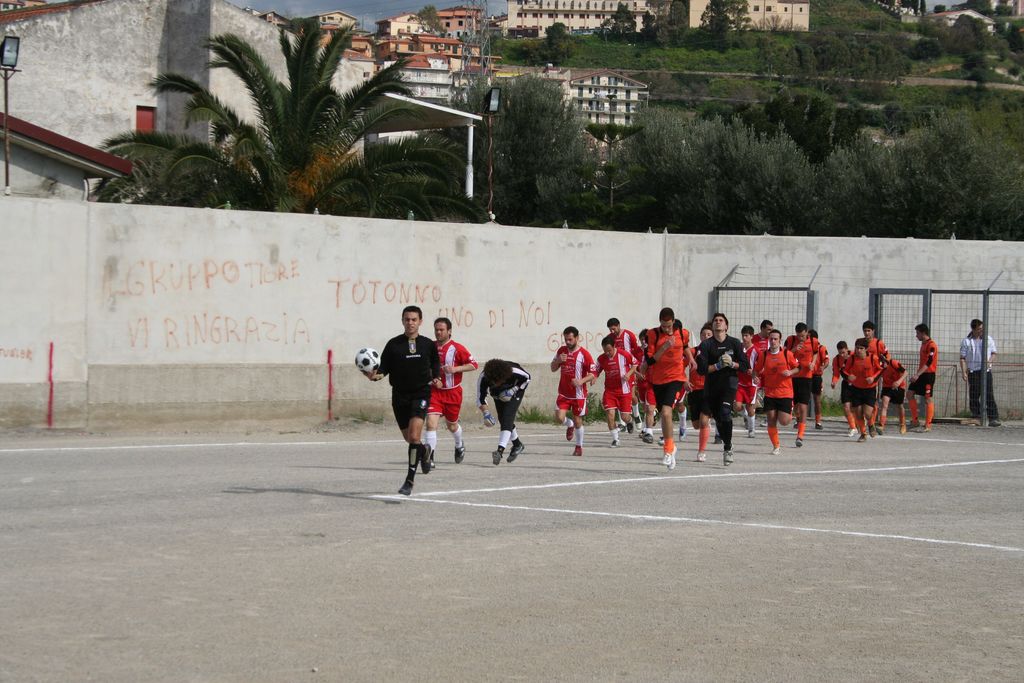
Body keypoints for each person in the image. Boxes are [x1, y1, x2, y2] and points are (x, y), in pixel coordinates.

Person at [364, 305, 440, 496]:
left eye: (414, 319)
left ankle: (409, 481)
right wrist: (374, 376)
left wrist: (437, 377)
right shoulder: (393, 344)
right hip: (399, 396)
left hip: (421, 394)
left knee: (414, 436)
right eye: (407, 319)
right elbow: (383, 369)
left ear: (420, 321)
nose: (410, 323)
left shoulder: (427, 344)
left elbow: (435, 363)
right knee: (410, 439)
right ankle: (424, 451)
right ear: (402, 321)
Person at [642, 308, 694, 470]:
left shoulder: (683, 333)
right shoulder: (652, 334)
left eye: (669, 326)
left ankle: (668, 449)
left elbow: (685, 346)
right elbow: (650, 360)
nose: (666, 329)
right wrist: (664, 347)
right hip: (658, 380)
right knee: (664, 417)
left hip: (676, 377)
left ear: (673, 322)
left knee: (666, 412)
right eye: (663, 326)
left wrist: (691, 359)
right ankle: (671, 448)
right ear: (660, 323)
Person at [695, 312, 749, 466]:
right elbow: (701, 370)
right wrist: (718, 366)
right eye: (715, 320)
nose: (718, 322)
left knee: (725, 413)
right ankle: (727, 442)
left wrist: (732, 364)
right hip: (712, 387)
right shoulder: (706, 345)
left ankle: (727, 448)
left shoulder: (735, 343)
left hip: (729, 384)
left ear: (726, 326)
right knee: (719, 419)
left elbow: (745, 366)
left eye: (721, 320)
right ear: (712, 326)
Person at [424, 317, 478, 467]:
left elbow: (474, 365)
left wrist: (455, 369)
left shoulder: (457, 348)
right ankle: (429, 459)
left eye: (441, 330)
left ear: (449, 331)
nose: (438, 332)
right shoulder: (429, 347)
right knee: (431, 423)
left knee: (452, 426)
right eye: (436, 330)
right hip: (434, 392)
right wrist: (433, 379)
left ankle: (459, 445)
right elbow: (424, 367)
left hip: (453, 393)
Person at [551, 326, 597, 457]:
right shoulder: (561, 351)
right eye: (566, 339)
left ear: (577, 338)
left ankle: (578, 447)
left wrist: (581, 381)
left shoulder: (584, 354)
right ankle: (569, 424)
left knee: (578, 421)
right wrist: (558, 361)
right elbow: (552, 368)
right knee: (559, 418)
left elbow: (593, 373)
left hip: (578, 394)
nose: (568, 342)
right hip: (564, 392)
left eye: (570, 339)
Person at [752, 329, 799, 456]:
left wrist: (790, 372)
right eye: (771, 339)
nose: (773, 341)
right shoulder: (764, 355)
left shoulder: (787, 354)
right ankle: (776, 446)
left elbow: (798, 368)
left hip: (785, 392)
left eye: (775, 339)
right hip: (770, 393)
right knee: (771, 419)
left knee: (784, 421)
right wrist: (755, 377)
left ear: (780, 340)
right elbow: (756, 370)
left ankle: (789, 410)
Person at [477, 359, 531, 465]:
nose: (497, 384)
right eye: (494, 383)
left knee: (507, 418)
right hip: (497, 394)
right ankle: (517, 445)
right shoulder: (484, 377)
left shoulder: (515, 371)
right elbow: (480, 398)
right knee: (503, 420)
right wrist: (486, 413)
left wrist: (514, 389)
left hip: (515, 391)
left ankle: (499, 451)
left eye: (499, 382)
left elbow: (527, 378)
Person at [595, 334, 637, 447]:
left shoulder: (624, 354)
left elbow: (635, 364)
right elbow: (596, 370)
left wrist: (628, 374)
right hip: (610, 391)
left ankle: (630, 421)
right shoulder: (601, 358)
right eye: (605, 351)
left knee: (624, 417)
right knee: (610, 414)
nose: (607, 353)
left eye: (609, 350)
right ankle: (615, 439)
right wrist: (593, 377)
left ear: (614, 347)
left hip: (624, 391)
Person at [784, 323, 820, 448]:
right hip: (792, 376)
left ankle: (800, 436)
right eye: (799, 336)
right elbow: (784, 354)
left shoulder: (814, 341)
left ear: (807, 333)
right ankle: (797, 418)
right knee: (796, 407)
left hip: (806, 377)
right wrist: (794, 349)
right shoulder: (790, 340)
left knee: (803, 406)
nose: (801, 338)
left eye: (803, 336)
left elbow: (815, 353)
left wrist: (813, 363)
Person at [959, 319, 1001, 426]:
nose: (981, 330)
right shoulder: (966, 341)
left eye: (982, 328)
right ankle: (976, 416)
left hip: (986, 371)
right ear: (973, 329)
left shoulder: (988, 339)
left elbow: (994, 353)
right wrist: (964, 372)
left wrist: (989, 361)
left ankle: (993, 418)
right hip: (973, 371)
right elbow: (962, 358)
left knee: (989, 394)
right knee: (974, 395)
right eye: (979, 329)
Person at [844, 338, 883, 442]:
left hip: (869, 389)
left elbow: (880, 370)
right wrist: (848, 376)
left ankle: (871, 424)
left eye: (861, 348)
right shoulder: (851, 359)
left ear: (866, 349)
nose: (858, 350)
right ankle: (863, 434)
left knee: (867, 413)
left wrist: (873, 378)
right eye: (857, 348)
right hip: (856, 388)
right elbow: (844, 371)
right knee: (858, 412)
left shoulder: (873, 358)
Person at [608, 317, 642, 430]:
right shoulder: (610, 338)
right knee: (619, 395)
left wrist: (636, 369)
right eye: (610, 329)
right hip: (617, 371)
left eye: (614, 329)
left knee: (632, 396)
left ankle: (636, 415)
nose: (612, 331)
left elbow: (636, 351)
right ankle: (622, 422)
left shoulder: (629, 335)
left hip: (629, 369)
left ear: (618, 325)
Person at [688, 324, 714, 462]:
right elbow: (680, 365)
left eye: (709, 335)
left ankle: (701, 452)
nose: (706, 337)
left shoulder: (716, 353)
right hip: (694, 390)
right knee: (696, 424)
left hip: (709, 390)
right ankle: (707, 423)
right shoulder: (693, 352)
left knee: (703, 421)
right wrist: (684, 381)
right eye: (704, 334)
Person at [908, 323, 938, 432]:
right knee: (909, 393)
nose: (916, 336)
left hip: (928, 375)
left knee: (928, 398)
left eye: (918, 333)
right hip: (921, 374)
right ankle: (915, 421)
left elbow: (929, 362)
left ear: (923, 333)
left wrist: (917, 375)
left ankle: (928, 424)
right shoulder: (923, 344)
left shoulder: (932, 345)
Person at [861, 321, 890, 428]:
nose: (866, 333)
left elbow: (887, 356)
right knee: (861, 399)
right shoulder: (861, 343)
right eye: (865, 331)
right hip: (862, 374)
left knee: (873, 399)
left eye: (868, 331)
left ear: (873, 331)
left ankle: (871, 422)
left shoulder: (879, 343)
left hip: (874, 375)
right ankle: (863, 420)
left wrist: (885, 363)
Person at [734, 325, 759, 438]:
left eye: (746, 335)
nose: (744, 338)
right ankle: (745, 415)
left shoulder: (756, 351)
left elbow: (761, 367)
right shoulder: (739, 348)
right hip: (739, 382)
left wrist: (755, 373)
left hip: (751, 384)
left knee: (750, 408)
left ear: (752, 336)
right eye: (743, 335)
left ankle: (751, 429)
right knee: (737, 406)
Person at [634, 328, 659, 444]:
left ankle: (648, 432)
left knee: (649, 408)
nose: (644, 342)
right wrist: (637, 374)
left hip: (651, 383)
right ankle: (652, 417)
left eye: (646, 340)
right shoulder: (636, 352)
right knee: (645, 408)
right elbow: (630, 366)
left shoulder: (655, 351)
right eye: (642, 340)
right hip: (640, 383)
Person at [831, 341, 859, 438]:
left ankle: (858, 423)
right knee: (846, 406)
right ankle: (853, 427)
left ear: (847, 349)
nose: (842, 355)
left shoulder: (855, 355)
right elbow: (836, 373)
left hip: (857, 383)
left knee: (856, 407)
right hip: (846, 383)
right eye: (840, 353)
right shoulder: (836, 360)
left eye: (843, 352)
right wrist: (834, 382)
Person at [877, 355, 908, 436]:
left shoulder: (893, 363)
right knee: (884, 404)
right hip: (887, 386)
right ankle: (881, 425)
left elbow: (905, 372)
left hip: (899, 386)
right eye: (880, 364)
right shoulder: (879, 368)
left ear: (885, 361)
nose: (882, 366)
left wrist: (899, 381)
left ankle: (902, 424)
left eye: (883, 363)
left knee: (899, 406)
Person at [809, 329, 829, 430]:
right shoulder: (805, 348)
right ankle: (798, 420)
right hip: (805, 376)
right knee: (801, 399)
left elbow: (826, 360)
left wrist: (823, 367)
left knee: (817, 399)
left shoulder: (821, 348)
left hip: (816, 376)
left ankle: (818, 421)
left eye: (808, 337)